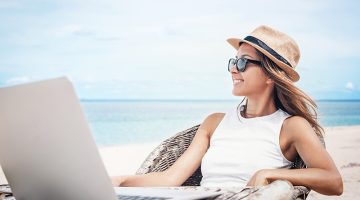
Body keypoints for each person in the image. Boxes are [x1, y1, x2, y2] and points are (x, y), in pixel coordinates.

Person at [111, 25, 343, 196]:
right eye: (233, 62)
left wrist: (269, 174)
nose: (233, 70)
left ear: (271, 75)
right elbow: (171, 178)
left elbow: (333, 181)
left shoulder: (291, 126)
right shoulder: (214, 122)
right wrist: (119, 181)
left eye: (242, 63)